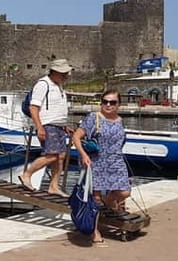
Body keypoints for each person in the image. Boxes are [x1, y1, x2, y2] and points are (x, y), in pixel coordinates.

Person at [72, 89, 132, 247]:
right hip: (96, 161)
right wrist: (83, 155)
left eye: (112, 102)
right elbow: (76, 137)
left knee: (124, 192)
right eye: (105, 101)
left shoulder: (120, 121)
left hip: (116, 161)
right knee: (96, 198)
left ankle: (108, 201)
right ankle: (94, 231)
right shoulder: (94, 118)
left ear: (119, 104)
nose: (108, 105)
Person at [19, 59, 73, 195]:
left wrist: (64, 125)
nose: (66, 76)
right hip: (48, 125)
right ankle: (27, 174)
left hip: (59, 126)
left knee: (60, 156)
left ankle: (53, 186)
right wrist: (39, 127)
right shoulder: (43, 84)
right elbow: (33, 107)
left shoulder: (58, 86)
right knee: (52, 156)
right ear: (54, 72)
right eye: (63, 73)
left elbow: (56, 108)